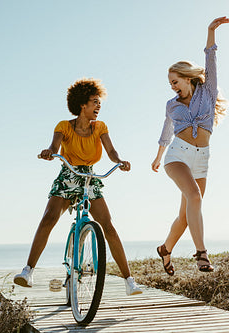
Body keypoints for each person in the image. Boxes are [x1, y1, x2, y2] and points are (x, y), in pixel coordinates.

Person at [14, 78, 142, 296]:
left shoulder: (100, 127)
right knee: (49, 218)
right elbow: (54, 146)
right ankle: (28, 271)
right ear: (82, 104)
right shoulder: (64, 126)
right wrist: (49, 152)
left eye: (99, 103)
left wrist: (119, 161)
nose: (98, 107)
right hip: (69, 174)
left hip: (89, 178)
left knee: (108, 226)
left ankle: (129, 281)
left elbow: (111, 151)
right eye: (94, 102)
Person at [151, 17, 229, 275]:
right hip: (177, 156)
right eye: (170, 83)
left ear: (187, 78)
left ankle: (165, 249)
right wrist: (158, 156)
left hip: (202, 158)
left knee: (186, 216)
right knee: (194, 196)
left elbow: (211, 59)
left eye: (175, 81)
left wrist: (210, 32)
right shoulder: (171, 105)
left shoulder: (207, 91)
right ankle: (201, 254)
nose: (172, 87)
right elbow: (166, 131)